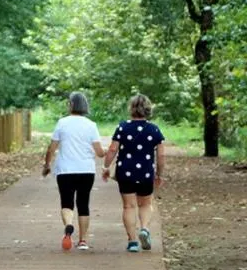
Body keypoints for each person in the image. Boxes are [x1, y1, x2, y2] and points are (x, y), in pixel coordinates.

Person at [102, 94, 165, 253]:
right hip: (145, 172)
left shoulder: (123, 126)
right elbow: (161, 155)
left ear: (131, 109)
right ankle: (144, 228)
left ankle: (132, 241)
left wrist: (106, 166)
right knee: (145, 204)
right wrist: (159, 174)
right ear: (148, 109)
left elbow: (112, 149)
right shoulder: (154, 129)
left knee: (128, 206)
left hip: (125, 172)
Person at [43, 92, 105, 251]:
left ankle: (69, 225)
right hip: (86, 170)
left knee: (66, 202)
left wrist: (47, 164)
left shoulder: (62, 123)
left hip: (65, 170)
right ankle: (83, 241)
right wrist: (107, 153)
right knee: (83, 204)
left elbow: (52, 147)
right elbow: (99, 152)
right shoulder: (91, 125)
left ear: (71, 105)